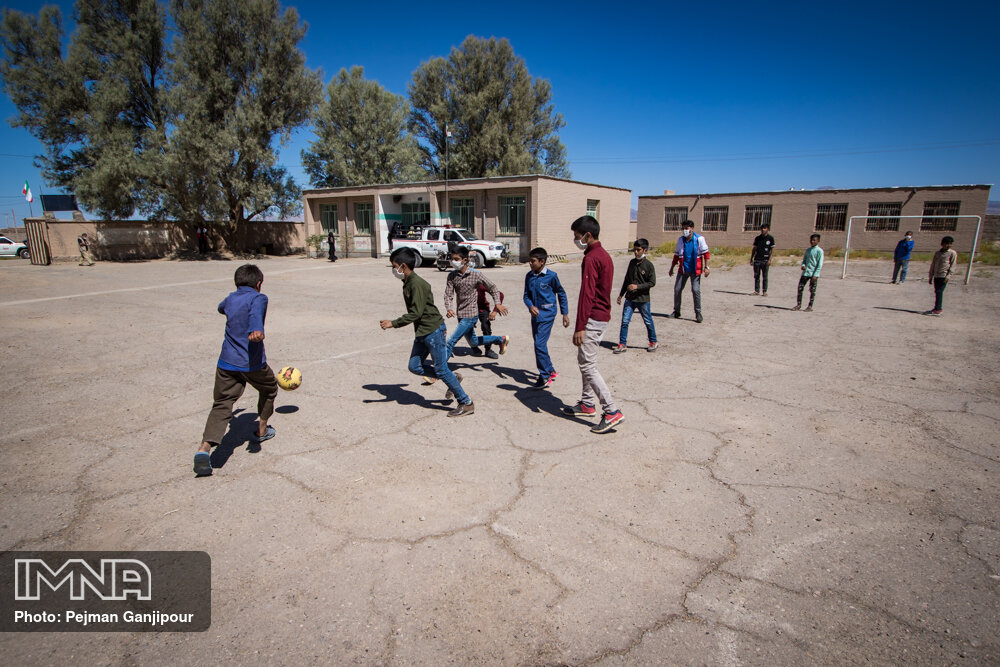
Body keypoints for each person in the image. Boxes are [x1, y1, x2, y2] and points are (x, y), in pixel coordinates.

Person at [193, 264, 279, 477]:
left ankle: (204, 449)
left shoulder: (231, 298)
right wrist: (256, 330)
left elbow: (221, 308)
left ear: (237, 283)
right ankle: (261, 430)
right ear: (258, 284)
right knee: (269, 388)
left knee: (222, 403)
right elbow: (256, 314)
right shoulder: (259, 298)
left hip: (226, 363)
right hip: (251, 363)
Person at [380, 247, 474, 417]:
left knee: (440, 369)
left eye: (394, 266)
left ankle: (466, 402)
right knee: (414, 366)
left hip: (433, 330)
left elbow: (415, 313)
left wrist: (393, 323)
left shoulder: (417, 284)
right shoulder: (408, 282)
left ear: (402, 266)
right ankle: (453, 379)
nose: (394, 270)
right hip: (423, 331)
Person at [562, 215, 624, 434]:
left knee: (588, 364)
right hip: (601, 316)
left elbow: (587, 294)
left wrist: (580, 326)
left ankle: (611, 410)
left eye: (576, 236)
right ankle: (587, 403)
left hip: (593, 318)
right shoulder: (603, 255)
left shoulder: (592, 258)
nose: (575, 239)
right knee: (585, 361)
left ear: (587, 235)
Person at [443, 244, 510, 359]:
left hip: (471, 315)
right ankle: (500, 339)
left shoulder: (476, 275)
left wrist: (497, 303)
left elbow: (493, 288)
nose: (453, 261)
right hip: (461, 314)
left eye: (456, 259)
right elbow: (448, 294)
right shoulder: (452, 276)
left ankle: (441, 370)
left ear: (465, 260)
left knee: (450, 341)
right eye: (451, 259)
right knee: (473, 342)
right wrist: (449, 308)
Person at [523, 247, 570, 388]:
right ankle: (550, 369)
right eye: (529, 261)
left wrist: (565, 314)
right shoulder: (529, 276)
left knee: (539, 345)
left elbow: (561, 293)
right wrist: (530, 306)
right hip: (535, 315)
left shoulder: (552, 276)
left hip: (548, 314)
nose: (530, 264)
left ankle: (544, 376)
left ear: (542, 262)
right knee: (539, 344)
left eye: (533, 261)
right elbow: (526, 295)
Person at [614, 238, 657, 353]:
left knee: (647, 321)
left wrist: (637, 287)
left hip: (643, 299)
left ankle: (653, 341)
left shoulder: (649, 265)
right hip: (630, 298)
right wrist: (621, 294)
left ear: (645, 251)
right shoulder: (632, 263)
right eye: (635, 250)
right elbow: (627, 279)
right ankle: (622, 344)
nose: (636, 252)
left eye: (639, 250)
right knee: (625, 321)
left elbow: (652, 282)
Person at [668, 220, 710, 322]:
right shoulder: (680, 240)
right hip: (683, 270)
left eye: (686, 228)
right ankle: (676, 311)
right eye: (683, 228)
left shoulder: (699, 239)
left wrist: (706, 267)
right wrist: (672, 267)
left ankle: (698, 313)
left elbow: (706, 254)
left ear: (692, 229)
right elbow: (676, 255)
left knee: (695, 290)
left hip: (695, 270)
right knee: (677, 289)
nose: (684, 230)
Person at [470, 281, 505, 359]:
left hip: (482, 309)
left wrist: (495, 311)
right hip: (470, 309)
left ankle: (488, 350)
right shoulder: (464, 284)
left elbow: (500, 294)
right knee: (467, 328)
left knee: (486, 326)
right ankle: (474, 346)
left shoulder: (480, 285)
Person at [925, 235, 957, 316]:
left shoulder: (952, 253)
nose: (948, 245)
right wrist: (930, 276)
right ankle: (936, 308)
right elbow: (933, 264)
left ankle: (938, 310)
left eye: (950, 244)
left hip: (944, 275)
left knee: (939, 291)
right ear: (942, 244)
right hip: (936, 275)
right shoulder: (938, 253)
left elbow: (953, 265)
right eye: (947, 243)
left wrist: (948, 276)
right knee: (937, 292)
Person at [793, 234, 824, 311]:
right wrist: (803, 265)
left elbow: (819, 264)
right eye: (811, 240)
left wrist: (815, 275)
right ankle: (798, 304)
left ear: (818, 241)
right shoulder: (808, 250)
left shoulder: (819, 251)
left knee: (812, 290)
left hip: (813, 274)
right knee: (800, 287)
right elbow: (804, 260)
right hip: (806, 273)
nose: (812, 241)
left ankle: (810, 306)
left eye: (814, 240)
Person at [750, 223, 775, 296]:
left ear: (768, 229)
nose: (763, 230)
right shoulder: (757, 238)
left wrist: (770, 260)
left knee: (765, 276)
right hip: (757, 259)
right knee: (756, 275)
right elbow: (754, 249)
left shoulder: (770, 238)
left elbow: (772, 250)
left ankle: (764, 291)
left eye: (764, 228)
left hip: (765, 260)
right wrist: (751, 258)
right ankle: (757, 291)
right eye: (762, 228)